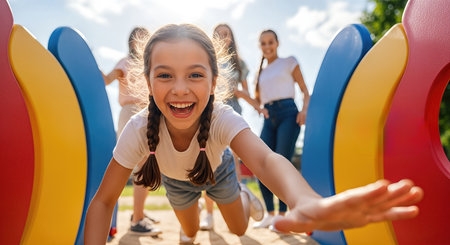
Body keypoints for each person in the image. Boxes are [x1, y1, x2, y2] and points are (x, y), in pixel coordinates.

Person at [85, 24, 423, 244]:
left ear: (215, 82)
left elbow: (265, 158)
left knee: (237, 229)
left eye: (195, 75)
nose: (180, 89)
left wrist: (304, 201)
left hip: (219, 172)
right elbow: (102, 201)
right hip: (177, 182)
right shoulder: (140, 128)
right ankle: (207, 212)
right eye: (164, 76)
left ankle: (245, 199)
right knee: (189, 234)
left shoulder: (220, 117)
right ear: (147, 82)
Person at [102, 26, 161, 236]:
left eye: (145, 37)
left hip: (148, 113)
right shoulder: (125, 62)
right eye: (138, 37)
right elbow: (108, 79)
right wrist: (97, 72)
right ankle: (137, 219)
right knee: (138, 165)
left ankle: (139, 213)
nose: (141, 40)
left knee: (146, 164)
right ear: (131, 41)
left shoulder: (149, 63)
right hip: (131, 112)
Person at [249, 29, 309, 231]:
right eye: (263, 43)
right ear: (260, 46)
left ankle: (283, 215)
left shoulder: (289, 61)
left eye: (270, 42)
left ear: (277, 43)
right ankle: (270, 214)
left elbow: (304, 90)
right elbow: (259, 101)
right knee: (259, 163)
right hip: (269, 117)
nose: (267, 46)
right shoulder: (261, 73)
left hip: (288, 113)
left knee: (282, 163)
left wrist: (304, 110)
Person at [199, 23, 254, 231]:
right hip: (210, 109)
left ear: (231, 38)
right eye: (219, 34)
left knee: (234, 157)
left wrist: (257, 105)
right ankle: (209, 214)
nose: (223, 38)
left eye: (226, 34)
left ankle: (239, 202)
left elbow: (245, 92)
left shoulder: (240, 64)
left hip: (232, 109)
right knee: (209, 157)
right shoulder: (207, 60)